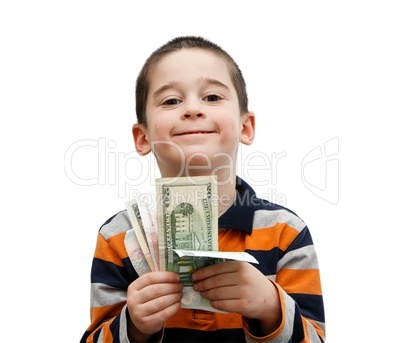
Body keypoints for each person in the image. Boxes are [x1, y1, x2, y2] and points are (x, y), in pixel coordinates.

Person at [80, 36, 325, 342]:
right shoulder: (119, 237)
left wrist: (271, 308)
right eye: (171, 101)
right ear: (142, 138)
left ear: (246, 127)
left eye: (211, 97)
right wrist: (134, 327)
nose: (193, 109)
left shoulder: (285, 232)